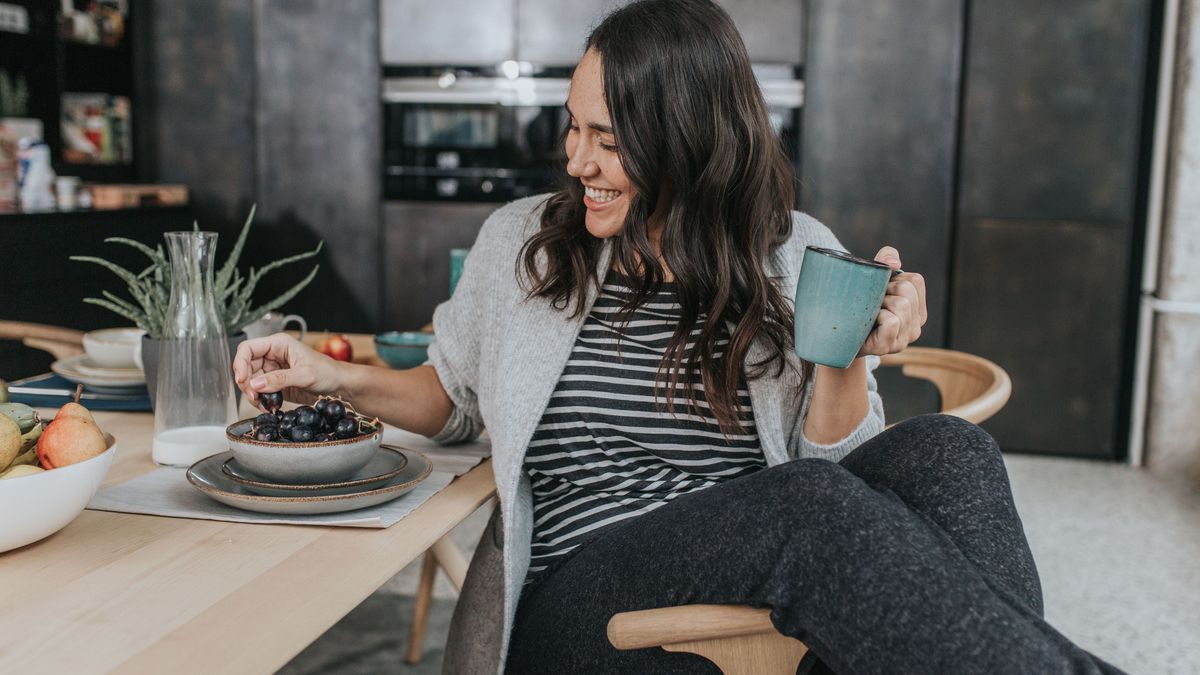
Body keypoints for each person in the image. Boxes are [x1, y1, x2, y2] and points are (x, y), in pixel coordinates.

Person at [233, 1, 1124, 672]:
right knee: (811, 509)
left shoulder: (795, 251)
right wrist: (332, 379)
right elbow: (451, 397)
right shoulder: (524, 244)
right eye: (573, 129)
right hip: (585, 602)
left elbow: (845, 468)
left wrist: (847, 355)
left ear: (688, 142)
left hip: (757, 590)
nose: (576, 161)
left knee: (949, 451)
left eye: (607, 140)